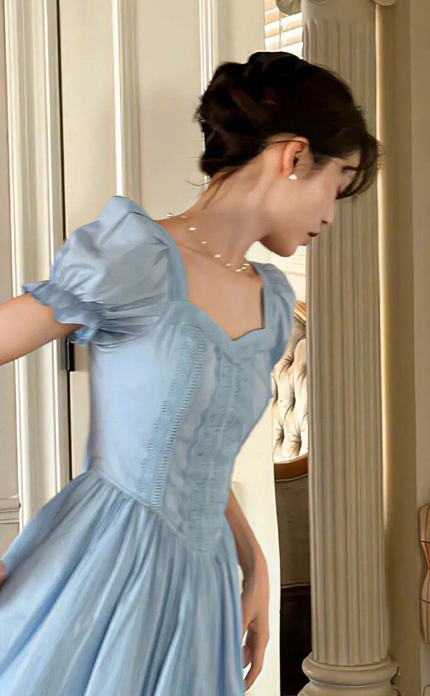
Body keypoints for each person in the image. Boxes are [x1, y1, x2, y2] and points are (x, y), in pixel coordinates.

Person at [0, 51, 378, 696]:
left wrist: (254, 562)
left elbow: (198, 454)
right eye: (335, 184)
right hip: (103, 573)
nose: (331, 215)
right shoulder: (135, 257)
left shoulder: (273, 302)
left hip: (204, 588)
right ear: (293, 157)